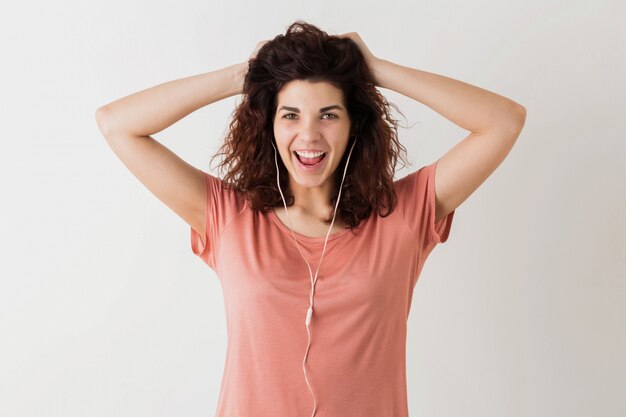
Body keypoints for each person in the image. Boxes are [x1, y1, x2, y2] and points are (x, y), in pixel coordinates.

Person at [96, 20, 526, 417]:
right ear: (269, 125)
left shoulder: (402, 215)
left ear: (354, 125)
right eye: (291, 115)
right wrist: (244, 74)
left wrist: (375, 70)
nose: (309, 135)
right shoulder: (231, 217)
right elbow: (118, 124)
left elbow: (504, 122)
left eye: (328, 115)